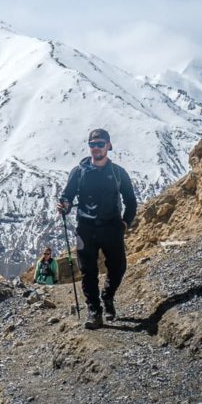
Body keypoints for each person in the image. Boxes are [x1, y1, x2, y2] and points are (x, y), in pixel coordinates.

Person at [57, 128, 137, 329]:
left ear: (108, 146)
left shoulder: (118, 173)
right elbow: (67, 196)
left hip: (112, 228)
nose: (96, 148)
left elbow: (131, 201)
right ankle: (94, 312)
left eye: (100, 144)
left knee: (118, 267)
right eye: (93, 145)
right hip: (86, 228)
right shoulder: (79, 172)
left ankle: (107, 296)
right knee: (88, 272)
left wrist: (125, 223)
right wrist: (64, 205)